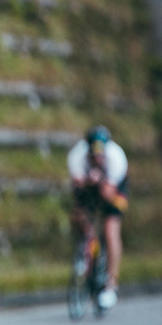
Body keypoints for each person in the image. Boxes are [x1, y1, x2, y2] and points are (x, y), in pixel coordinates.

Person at [67, 125, 128, 309]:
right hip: (89, 184)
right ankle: (88, 246)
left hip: (112, 187)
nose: (97, 159)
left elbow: (108, 193)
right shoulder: (77, 157)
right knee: (78, 215)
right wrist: (86, 181)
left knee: (110, 230)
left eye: (100, 156)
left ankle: (111, 283)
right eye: (94, 156)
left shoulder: (116, 159)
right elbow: (77, 186)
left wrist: (100, 180)